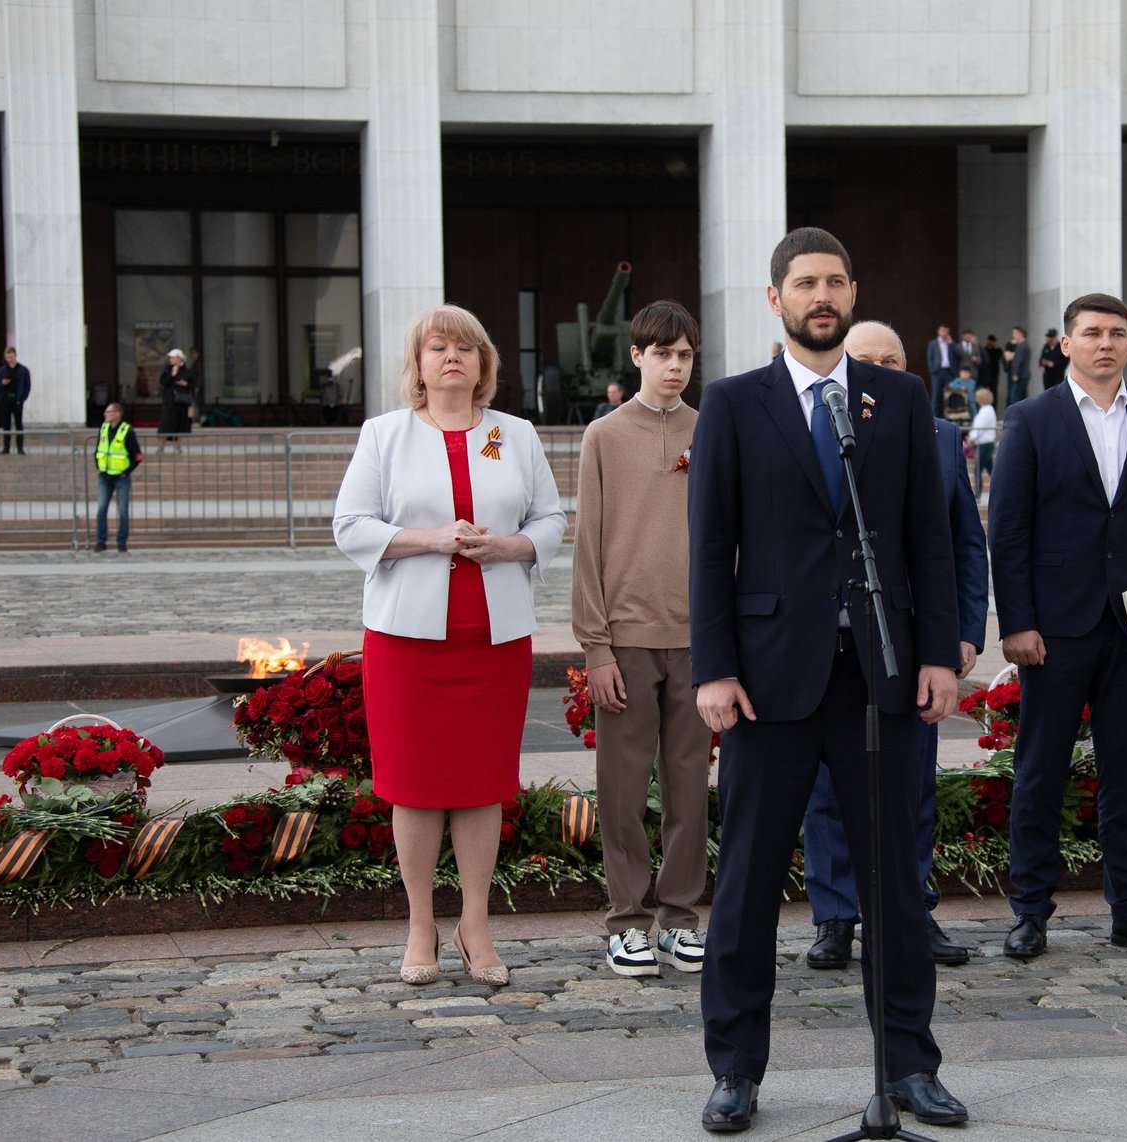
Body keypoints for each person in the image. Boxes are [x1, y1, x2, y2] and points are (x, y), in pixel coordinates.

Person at [689, 227, 967, 1132]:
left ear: (852, 294)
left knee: (893, 880)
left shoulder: (898, 396)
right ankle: (735, 1068)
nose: (822, 295)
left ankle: (909, 1064)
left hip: (879, 678)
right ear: (775, 299)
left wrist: (936, 651)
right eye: (805, 282)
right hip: (768, 684)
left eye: (836, 281)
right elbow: (709, 550)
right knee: (747, 883)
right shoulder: (734, 404)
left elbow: (928, 534)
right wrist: (716, 670)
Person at [333, 304, 566, 989]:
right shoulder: (385, 435)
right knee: (415, 784)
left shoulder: (514, 435)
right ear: (419, 364)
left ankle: (475, 922)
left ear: (484, 363)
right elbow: (350, 524)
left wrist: (510, 546)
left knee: (480, 785)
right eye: (438, 347)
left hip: (493, 639)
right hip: (408, 641)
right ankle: (418, 924)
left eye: (465, 347)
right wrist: (429, 541)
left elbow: (551, 518)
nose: (452, 357)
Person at [989, 293, 1127, 961]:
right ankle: (1031, 910)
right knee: (1040, 771)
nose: (1104, 343)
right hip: (1055, 627)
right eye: (1091, 333)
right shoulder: (1030, 419)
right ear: (1067, 344)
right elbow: (1009, 531)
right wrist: (1017, 622)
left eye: (1115, 333)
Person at [798, 320, 987, 974]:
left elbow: (961, 542)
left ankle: (911, 911)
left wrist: (961, 632)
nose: (878, 370)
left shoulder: (940, 439)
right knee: (826, 789)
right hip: (824, 642)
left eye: (892, 360)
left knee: (909, 786)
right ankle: (834, 917)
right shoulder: (812, 430)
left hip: (903, 640)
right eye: (866, 359)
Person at [572, 300, 711, 980]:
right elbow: (588, 545)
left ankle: (683, 916)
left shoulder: (712, 430)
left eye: (684, 354)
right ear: (636, 357)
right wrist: (595, 647)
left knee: (690, 787)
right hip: (625, 640)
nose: (675, 366)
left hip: (698, 641)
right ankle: (627, 920)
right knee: (623, 790)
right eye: (662, 354)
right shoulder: (604, 435)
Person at [93, 402, 142, 552]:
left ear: (117, 414)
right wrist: (97, 466)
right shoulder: (103, 428)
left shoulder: (127, 431)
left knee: (122, 510)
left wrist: (126, 471)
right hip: (104, 475)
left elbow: (137, 456)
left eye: (108, 412)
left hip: (121, 477)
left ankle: (122, 542)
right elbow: (97, 450)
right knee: (101, 509)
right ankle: (101, 541)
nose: (105, 414)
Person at [0, 347, 31, 454]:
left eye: (11, 357)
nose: (9, 359)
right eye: (7, 357)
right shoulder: (2, 370)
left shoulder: (23, 370)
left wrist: (22, 398)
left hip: (17, 399)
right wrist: (2, 384)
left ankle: (20, 447)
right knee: (6, 424)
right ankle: (6, 447)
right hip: (5, 399)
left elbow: (27, 386)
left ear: (15, 356)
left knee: (18, 424)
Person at [157, 348, 194, 442]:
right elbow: (164, 382)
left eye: (173, 358)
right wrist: (173, 374)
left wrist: (185, 384)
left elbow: (193, 385)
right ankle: (161, 447)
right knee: (166, 423)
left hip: (182, 402)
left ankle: (179, 447)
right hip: (170, 401)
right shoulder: (167, 370)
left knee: (181, 424)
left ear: (179, 358)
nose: (171, 360)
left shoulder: (187, 371)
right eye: (170, 358)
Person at [970, 386, 997, 492]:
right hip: (986, 443)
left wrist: (971, 438)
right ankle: (1000, 489)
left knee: (978, 470)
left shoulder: (986, 410)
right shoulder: (987, 409)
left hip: (985, 443)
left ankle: (978, 494)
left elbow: (979, 427)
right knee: (991, 470)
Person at [925, 323, 956, 410]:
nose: (944, 333)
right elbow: (929, 357)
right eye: (942, 330)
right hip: (937, 372)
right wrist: (932, 370)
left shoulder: (950, 343)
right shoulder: (933, 343)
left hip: (949, 372)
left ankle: (949, 416)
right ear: (938, 331)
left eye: (946, 331)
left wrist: (951, 343)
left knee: (949, 395)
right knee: (936, 395)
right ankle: (934, 418)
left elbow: (958, 354)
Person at [1003, 325, 1031, 406]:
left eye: (1014, 333)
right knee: (1022, 396)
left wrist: (1015, 373)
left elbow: (1018, 361)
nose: (1013, 335)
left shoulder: (1022, 346)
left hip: (1020, 375)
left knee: (1015, 396)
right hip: (1023, 374)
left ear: (1020, 334)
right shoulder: (1024, 345)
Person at [1037, 327, 1068, 392]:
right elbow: (1041, 358)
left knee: (1057, 392)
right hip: (1047, 375)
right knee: (1047, 392)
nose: (1049, 340)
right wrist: (1041, 365)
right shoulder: (1046, 346)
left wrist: (1054, 364)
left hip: (1057, 375)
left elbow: (1065, 361)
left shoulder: (1060, 347)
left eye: (1051, 338)